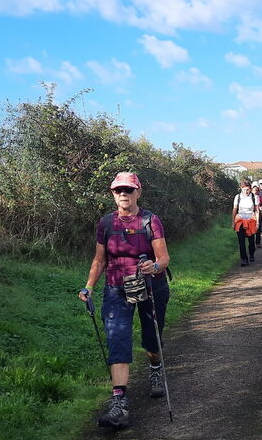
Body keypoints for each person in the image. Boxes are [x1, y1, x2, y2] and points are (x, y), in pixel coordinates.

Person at [79, 172, 171, 429]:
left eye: (128, 190)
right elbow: (100, 260)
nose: (123, 194)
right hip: (116, 288)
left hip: (151, 286)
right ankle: (119, 402)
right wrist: (88, 287)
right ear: (112, 193)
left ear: (138, 192)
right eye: (118, 190)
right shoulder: (106, 223)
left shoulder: (150, 220)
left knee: (152, 342)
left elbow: (164, 258)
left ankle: (155, 368)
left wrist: (154, 266)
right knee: (118, 339)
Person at [232, 181, 258, 266]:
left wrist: (257, 223)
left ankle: (251, 254)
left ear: (250, 189)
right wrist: (233, 222)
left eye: (247, 190)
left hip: (250, 219)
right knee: (241, 241)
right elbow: (235, 210)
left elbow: (257, 210)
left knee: (251, 240)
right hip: (240, 220)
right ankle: (244, 259)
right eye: (244, 190)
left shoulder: (254, 197)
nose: (245, 192)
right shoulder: (238, 197)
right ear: (241, 189)